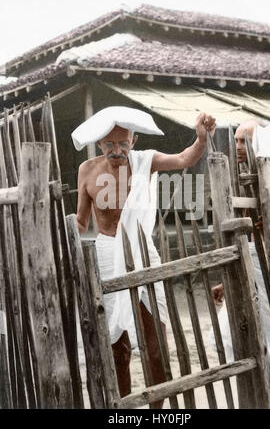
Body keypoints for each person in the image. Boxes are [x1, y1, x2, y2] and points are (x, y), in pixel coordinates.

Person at [73, 106, 216, 406]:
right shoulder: (87, 170)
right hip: (105, 257)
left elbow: (184, 158)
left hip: (142, 251)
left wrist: (201, 139)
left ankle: (157, 408)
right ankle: (122, 407)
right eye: (110, 144)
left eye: (122, 143)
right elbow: (81, 222)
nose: (116, 150)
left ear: (133, 141)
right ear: (100, 143)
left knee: (156, 341)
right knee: (116, 345)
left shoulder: (145, 161)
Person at [211, 119, 270, 393]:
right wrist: (227, 281)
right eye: (236, 140)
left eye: (244, 140)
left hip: (269, 260)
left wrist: (265, 227)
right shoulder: (244, 179)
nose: (238, 146)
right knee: (236, 330)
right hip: (252, 260)